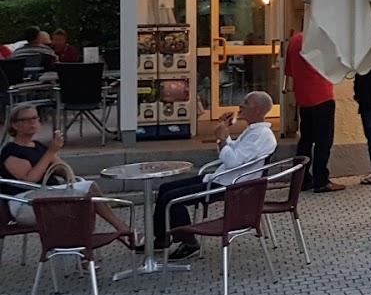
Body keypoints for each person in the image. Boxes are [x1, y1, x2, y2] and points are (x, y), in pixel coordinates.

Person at [149, 91, 277, 260]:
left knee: (173, 200)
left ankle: (188, 242)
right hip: (220, 178)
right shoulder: (252, 132)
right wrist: (224, 133)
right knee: (165, 189)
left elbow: (232, 161)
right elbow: (232, 152)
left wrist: (223, 140)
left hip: (230, 186)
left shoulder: (261, 136)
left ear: (258, 110)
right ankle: (161, 238)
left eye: (246, 102)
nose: (241, 105)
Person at [0, 103, 134, 241]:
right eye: (26, 120)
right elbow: (29, 180)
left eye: (35, 118)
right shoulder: (11, 151)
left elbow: (63, 168)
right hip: (26, 203)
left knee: (85, 196)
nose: (32, 122)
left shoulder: (38, 146)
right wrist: (51, 152)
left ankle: (84, 247)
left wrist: (63, 169)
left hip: (48, 196)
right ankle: (120, 231)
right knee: (88, 190)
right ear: (15, 125)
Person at [284, 30, 344, 193]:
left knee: (306, 140)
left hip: (303, 97)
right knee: (323, 141)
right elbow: (335, 67)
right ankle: (321, 180)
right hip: (322, 95)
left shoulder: (295, 40)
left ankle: (301, 179)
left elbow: (289, 70)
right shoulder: (322, 40)